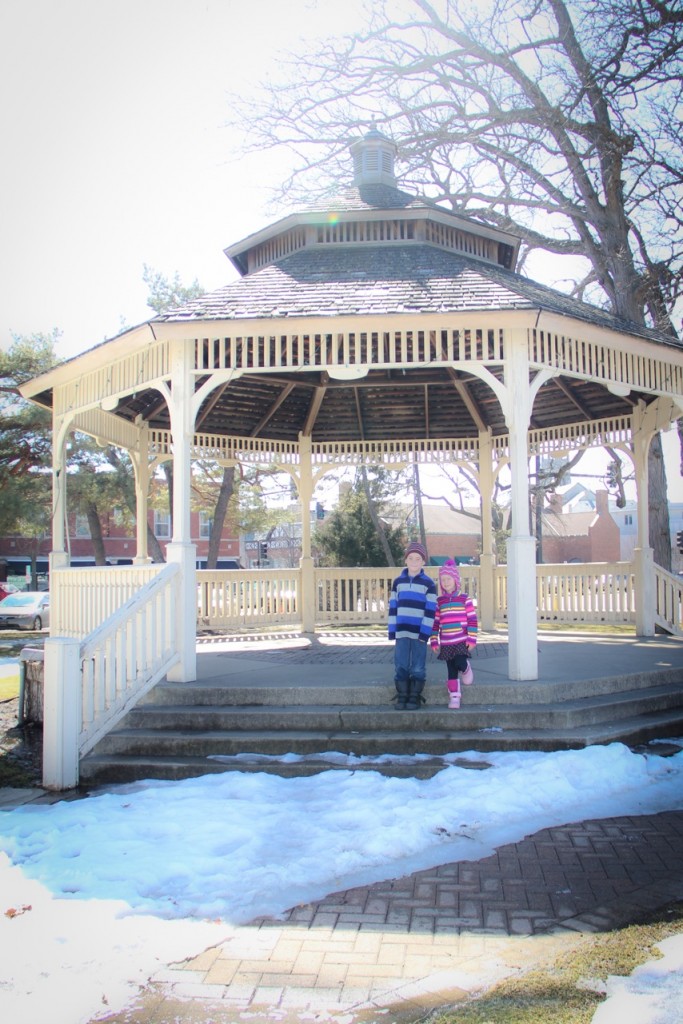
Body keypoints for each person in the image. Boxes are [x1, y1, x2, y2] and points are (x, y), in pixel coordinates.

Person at [388, 541, 437, 710]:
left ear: (423, 562)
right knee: (401, 664)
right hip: (402, 631)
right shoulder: (398, 582)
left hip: (419, 633)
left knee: (417, 665)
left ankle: (414, 696)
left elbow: (431, 610)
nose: (414, 562)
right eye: (411, 558)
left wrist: (425, 633)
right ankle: (402, 695)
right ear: (406, 560)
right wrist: (392, 629)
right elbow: (393, 607)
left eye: (418, 559)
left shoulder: (429, 584)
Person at [430, 560, 478, 709]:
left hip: (461, 640)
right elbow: (436, 622)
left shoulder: (464, 599)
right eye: (442, 580)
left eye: (448, 579)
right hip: (446, 642)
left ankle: (466, 668)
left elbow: (472, 620)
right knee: (451, 670)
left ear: (455, 580)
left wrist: (472, 638)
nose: (445, 582)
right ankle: (454, 697)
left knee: (459, 662)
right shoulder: (440, 602)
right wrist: (434, 639)